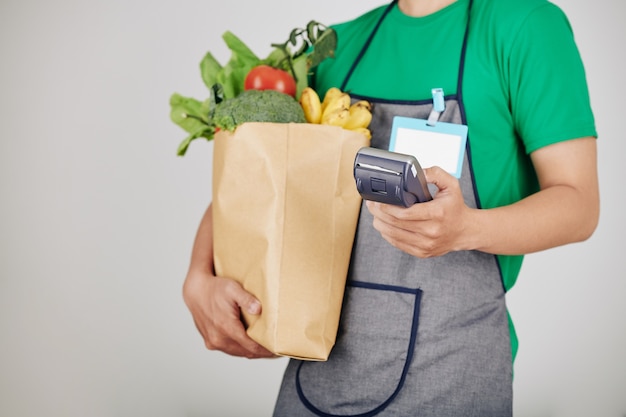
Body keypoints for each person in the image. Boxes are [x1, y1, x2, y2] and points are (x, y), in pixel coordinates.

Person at [182, 0, 599, 415]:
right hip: (318, 370)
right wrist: (199, 275)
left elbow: (578, 204)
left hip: (450, 370)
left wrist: (465, 228)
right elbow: (256, 182)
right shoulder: (337, 46)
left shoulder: (523, 26)